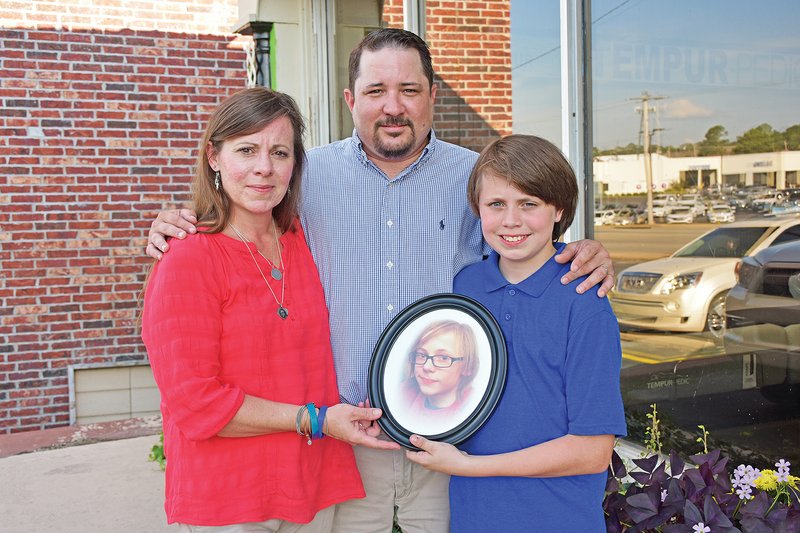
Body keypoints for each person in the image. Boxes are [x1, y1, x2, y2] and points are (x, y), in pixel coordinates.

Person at [144, 29, 616, 533]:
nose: (393, 107)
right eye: (375, 91)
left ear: (433, 95)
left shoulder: (474, 178)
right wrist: (179, 222)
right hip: (342, 441)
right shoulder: (306, 177)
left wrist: (578, 250)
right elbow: (241, 211)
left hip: (449, 440)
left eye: (409, 90)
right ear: (351, 99)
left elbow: (521, 237)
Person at [141, 87, 398, 532]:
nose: (264, 168)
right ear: (213, 157)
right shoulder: (189, 258)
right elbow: (195, 403)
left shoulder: (303, 240)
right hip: (230, 499)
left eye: (279, 152)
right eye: (246, 150)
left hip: (314, 487)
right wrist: (317, 420)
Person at [406, 134, 627, 532]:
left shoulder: (584, 300)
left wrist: (470, 466)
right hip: (475, 517)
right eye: (496, 204)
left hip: (559, 517)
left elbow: (593, 450)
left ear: (558, 208)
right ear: (477, 208)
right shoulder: (462, 288)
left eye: (529, 204)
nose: (511, 220)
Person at [397, 320, 479, 430]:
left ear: (468, 367)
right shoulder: (401, 393)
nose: (427, 367)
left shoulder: (472, 407)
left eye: (443, 358)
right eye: (421, 354)